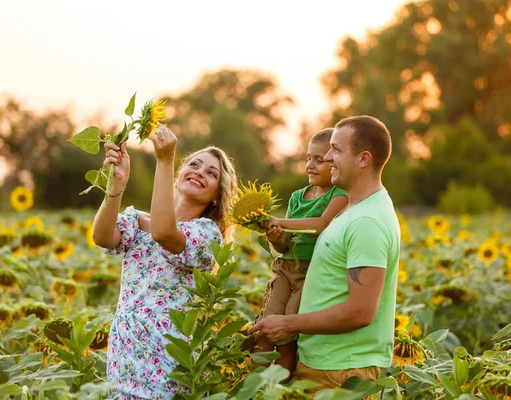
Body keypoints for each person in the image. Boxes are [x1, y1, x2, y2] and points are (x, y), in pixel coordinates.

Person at [249, 116, 400, 390]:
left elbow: (360, 312)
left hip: (340, 370)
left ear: (363, 159)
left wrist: (289, 324)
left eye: (336, 150)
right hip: (323, 363)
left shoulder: (367, 222)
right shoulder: (351, 209)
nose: (328, 158)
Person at [92, 124, 237, 399]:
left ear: (217, 196)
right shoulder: (136, 221)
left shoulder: (206, 234)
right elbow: (102, 236)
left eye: (211, 173)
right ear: (180, 173)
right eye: (194, 164)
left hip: (166, 360)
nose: (199, 172)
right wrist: (116, 186)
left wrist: (164, 159)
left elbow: (163, 232)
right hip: (124, 352)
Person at [255, 128, 348, 377]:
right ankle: (257, 387)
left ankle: (280, 388)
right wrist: (276, 238)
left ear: (334, 162)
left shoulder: (339, 195)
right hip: (285, 270)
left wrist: (280, 222)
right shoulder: (298, 197)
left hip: (310, 274)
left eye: (319, 160)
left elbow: (321, 224)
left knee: (286, 337)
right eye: (308, 158)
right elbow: (285, 246)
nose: (310, 165)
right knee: (264, 328)